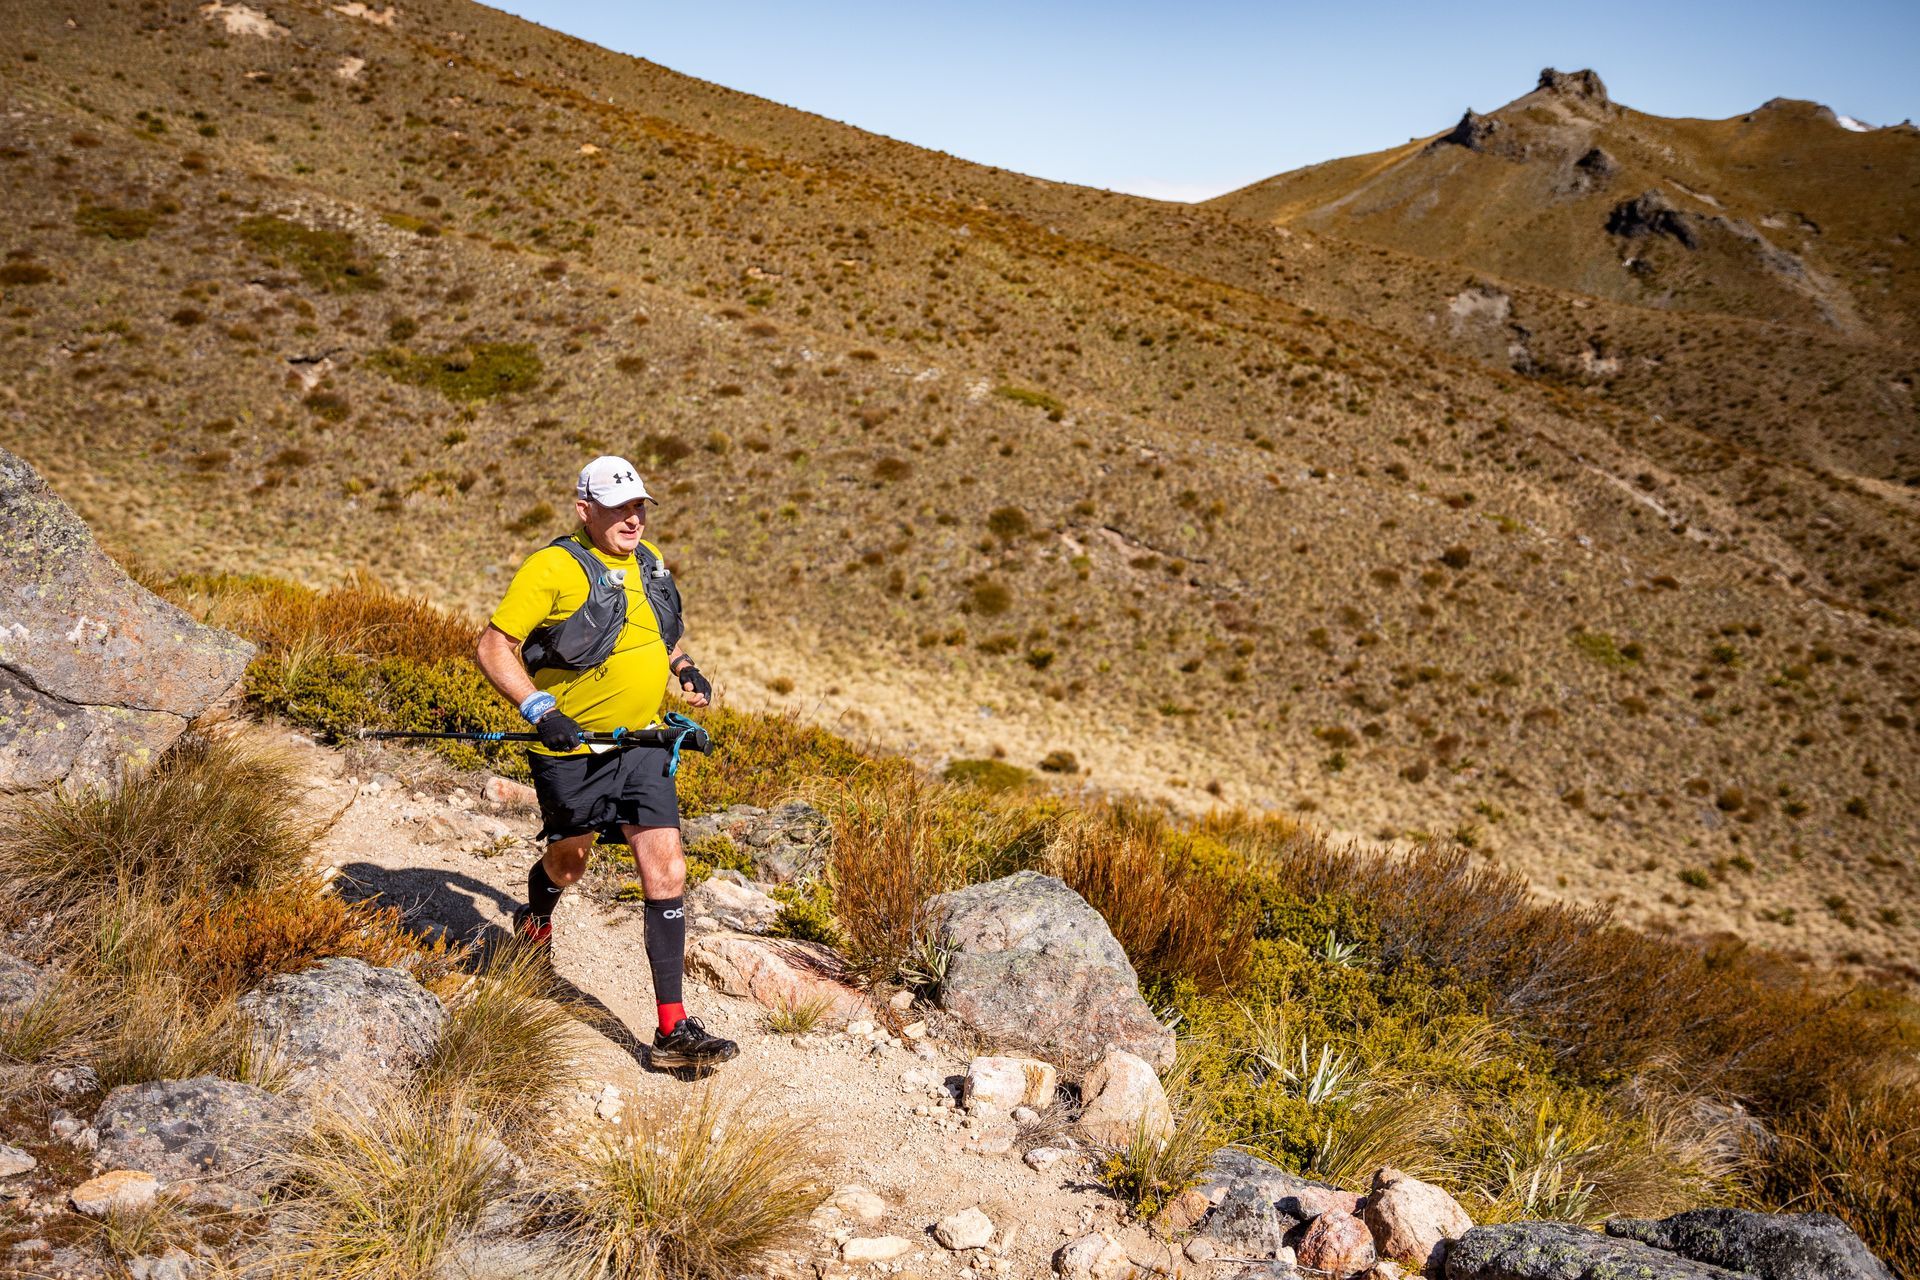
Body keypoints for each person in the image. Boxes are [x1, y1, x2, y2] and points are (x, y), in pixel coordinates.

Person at [475, 455, 737, 1071]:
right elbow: (493, 646)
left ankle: (672, 1030)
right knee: (569, 864)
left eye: (639, 506)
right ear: (584, 509)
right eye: (619, 508)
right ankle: (536, 919)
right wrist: (539, 709)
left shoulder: (648, 562)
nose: (633, 519)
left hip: (643, 745)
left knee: (666, 868)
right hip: (572, 749)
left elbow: (657, 631)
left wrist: (684, 668)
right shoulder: (553, 567)